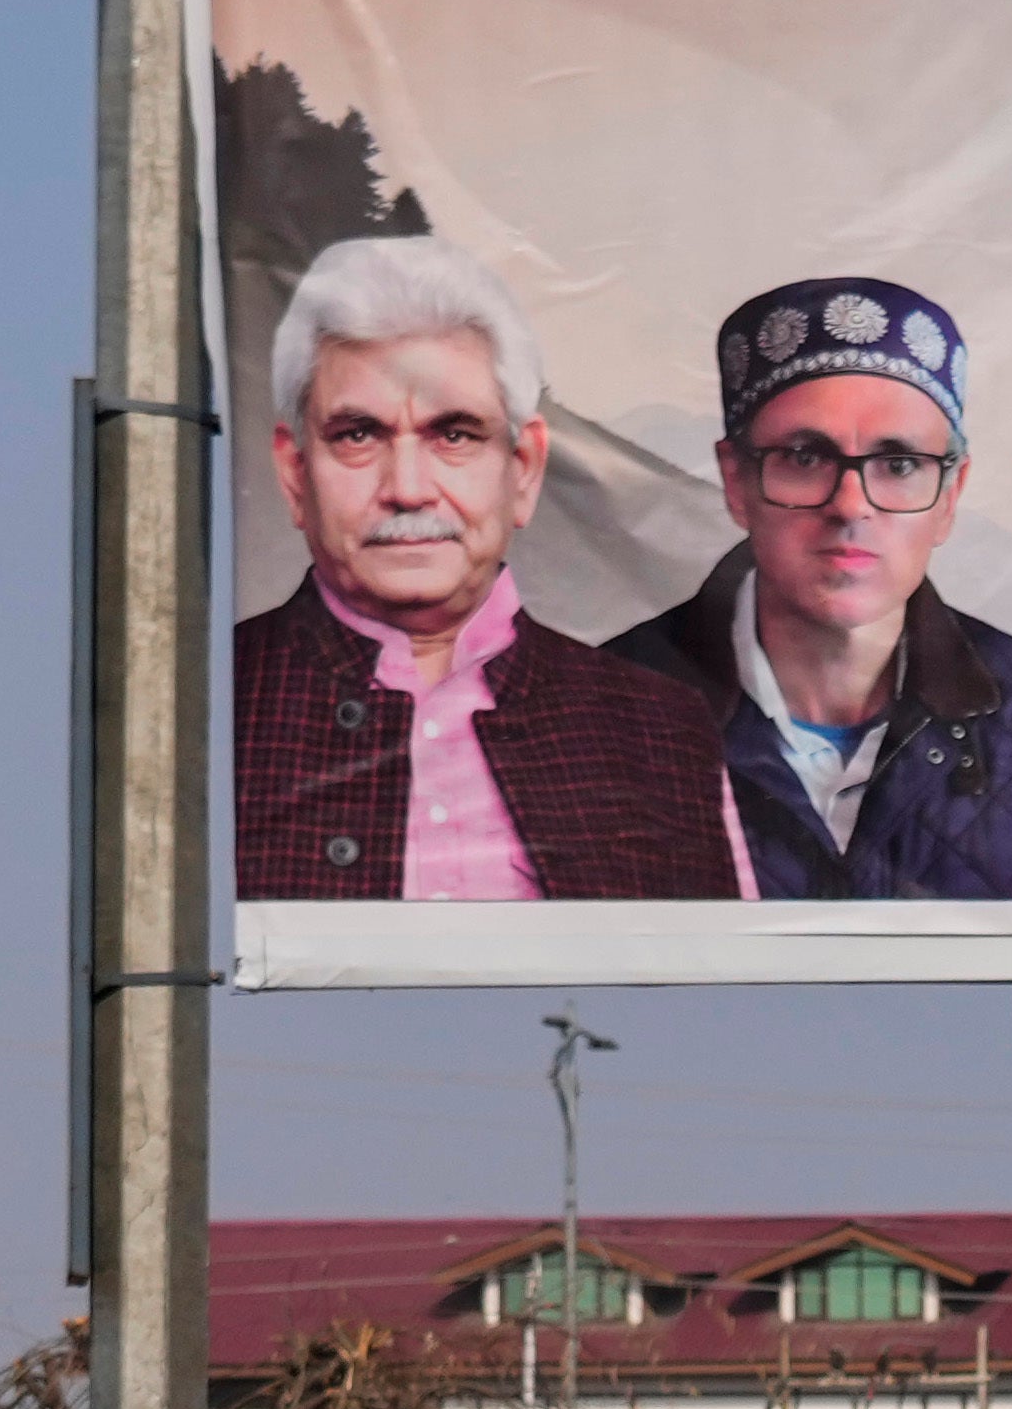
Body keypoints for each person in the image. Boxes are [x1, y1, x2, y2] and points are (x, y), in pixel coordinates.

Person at [225, 235, 754, 906]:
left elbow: (716, 998)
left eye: (455, 435)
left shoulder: (660, 733)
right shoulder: (207, 707)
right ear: (295, 472)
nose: (409, 488)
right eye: (359, 435)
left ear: (524, 469)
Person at [600, 278, 1012, 902]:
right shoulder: (596, 714)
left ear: (949, 496)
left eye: (897, 465)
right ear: (736, 482)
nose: (850, 504)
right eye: (805, 456)